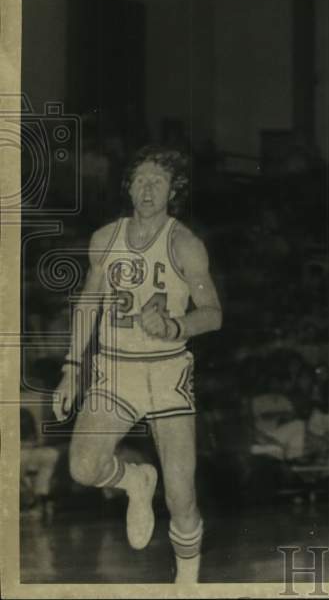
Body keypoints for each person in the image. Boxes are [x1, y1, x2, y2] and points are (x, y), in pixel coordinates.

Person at [53, 145, 223, 585]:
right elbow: (89, 303)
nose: (148, 188)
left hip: (166, 373)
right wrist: (72, 368)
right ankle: (133, 481)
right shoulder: (105, 238)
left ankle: (186, 587)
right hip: (116, 371)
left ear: (172, 191)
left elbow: (213, 313)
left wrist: (173, 327)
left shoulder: (186, 244)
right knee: (83, 469)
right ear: (128, 186)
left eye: (158, 181)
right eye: (141, 179)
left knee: (182, 495)